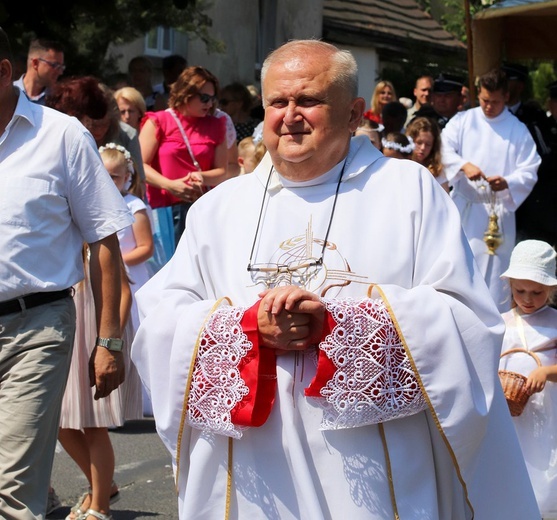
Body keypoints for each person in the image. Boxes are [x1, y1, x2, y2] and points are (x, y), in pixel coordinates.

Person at [132, 39, 540, 519]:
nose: (289, 116)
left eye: (308, 101)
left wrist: (340, 329)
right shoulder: (219, 208)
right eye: (277, 103)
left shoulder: (408, 191)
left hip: (371, 464)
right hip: (250, 469)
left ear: (354, 113)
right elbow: (161, 321)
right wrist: (247, 328)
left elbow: (468, 319)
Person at [0, 27, 132, 519]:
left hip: (35, 325)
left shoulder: (61, 135)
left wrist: (110, 341)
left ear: (5, 72)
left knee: (14, 488)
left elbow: (104, 240)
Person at [441, 68, 541, 311]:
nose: (488, 106)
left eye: (495, 102)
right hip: (466, 205)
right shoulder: (464, 120)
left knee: (496, 275)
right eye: (485, 100)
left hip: (498, 211)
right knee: (461, 265)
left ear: (506, 97)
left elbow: (530, 168)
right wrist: (463, 165)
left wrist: (507, 181)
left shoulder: (517, 130)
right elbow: (444, 147)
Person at [139, 65, 228, 251]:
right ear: (186, 93)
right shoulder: (159, 120)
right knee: (164, 267)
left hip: (201, 207)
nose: (209, 104)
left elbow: (222, 171)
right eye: (204, 98)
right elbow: (139, 165)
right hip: (163, 209)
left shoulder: (217, 124)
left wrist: (202, 177)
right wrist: (169, 185)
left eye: (213, 99)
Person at [498, 240, 557, 518]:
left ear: (551, 289)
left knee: (542, 468)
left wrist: (546, 371)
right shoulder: (502, 321)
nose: (528, 299)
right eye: (520, 290)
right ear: (509, 284)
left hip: (546, 414)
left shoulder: (554, 322)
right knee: (512, 463)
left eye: (537, 292)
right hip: (510, 413)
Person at [100, 143, 154, 330]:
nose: (107, 181)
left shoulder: (133, 206)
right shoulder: (93, 205)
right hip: (101, 275)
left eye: (114, 177)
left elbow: (146, 247)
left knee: (130, 323)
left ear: (127, 177)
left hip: (130, 276)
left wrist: (116, 261)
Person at [504, 64, 557, 247]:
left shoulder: (533, 118)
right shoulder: (481, 118)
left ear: (519, 86)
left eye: (508, 81)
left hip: (530, 207)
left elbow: (544, 160)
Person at [13, 37, 64, 105]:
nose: (60, 72)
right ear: (35, 63)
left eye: (60, 67)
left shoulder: (58, 101)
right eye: (54, 65)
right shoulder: (6, 92)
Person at [406, 116, 449, 192]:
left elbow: (445, 199)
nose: (423, 148)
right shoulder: (403, 164)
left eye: (428, 144)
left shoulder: (437, 172)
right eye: (419, 143)